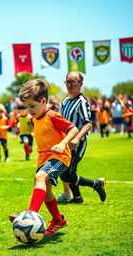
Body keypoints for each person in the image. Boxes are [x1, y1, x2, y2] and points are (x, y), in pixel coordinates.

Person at [9, 78, 79, 236]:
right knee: (46, 191)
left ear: (43, 101)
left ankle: (29, 214)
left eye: (32, 106)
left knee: (39, 177)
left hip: (59, 157)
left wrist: (63, 143)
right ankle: (59, 220)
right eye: (26, 107)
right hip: (44, 158)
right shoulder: (34, 118)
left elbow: (73, 129)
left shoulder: (52, 116)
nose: (29, 110)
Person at [57, 71, 106, 204]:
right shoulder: (66, 100)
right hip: (66, 142)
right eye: (68, 81)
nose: (70, 84)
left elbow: (88, 124)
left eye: (73, 81)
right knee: (70, 171)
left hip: (78, 143)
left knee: (66, 174)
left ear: (81, 83)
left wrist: (76, 138)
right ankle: (78, 198)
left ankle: (95, 184)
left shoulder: (82, 102)